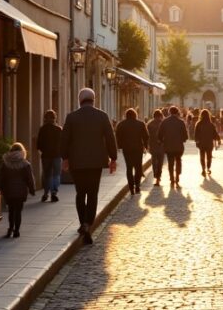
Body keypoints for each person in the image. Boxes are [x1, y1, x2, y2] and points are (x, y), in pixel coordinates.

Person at [60, 88, 118, 244]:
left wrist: (65, 158)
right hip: (96, 162)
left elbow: (64, 139)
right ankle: (88, 223)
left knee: (80, 193)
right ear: (94, 100)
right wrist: (113, 158)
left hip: (77, 162)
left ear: (80, 100)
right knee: (92, 193)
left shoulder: (71, 117)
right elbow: (110, 137)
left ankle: (82, 222)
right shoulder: (102, 116)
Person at [0, 142, 36, 238]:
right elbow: (29, 178)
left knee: (11, 211)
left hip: (8, 191)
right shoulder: (25, 164)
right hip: (21, 192)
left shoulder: (5, 163)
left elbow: (1, 178)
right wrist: (32, 189)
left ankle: (10, 229)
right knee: (18, 211)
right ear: (22, 151)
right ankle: (17, 231)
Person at [115, 108, 149, 195]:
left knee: (129, 168)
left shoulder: (121, 124)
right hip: (138, 148)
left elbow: (117, 136)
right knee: (138, 167)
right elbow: (146, 136)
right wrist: (145, 146)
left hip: (127, 149)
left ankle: (131, 187)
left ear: (126, 115)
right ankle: (137, 185)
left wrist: (120, 146)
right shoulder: (140, 124)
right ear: (135, 115)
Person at [157, 106, 189, 188]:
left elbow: (160, 134)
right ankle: (177, 177)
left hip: (168, 145)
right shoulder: (181, 122)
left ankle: (172, 179)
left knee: (170, 163)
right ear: (177, 112)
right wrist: (183, 139)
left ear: (169, 112)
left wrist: (161, 141)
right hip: (179, 146)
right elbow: (185, 136)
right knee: (178, 161)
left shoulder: (164, 122)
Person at [36, 110, 62, 203]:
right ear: (55, 118)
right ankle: (54, 193)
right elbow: (63, 143)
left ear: (45, 118)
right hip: (57, 155)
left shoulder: (42, 129)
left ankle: (46, 193)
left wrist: (43, 150)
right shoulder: (59, 129)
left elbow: (38, 144)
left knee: (47, 175)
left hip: (46, 155)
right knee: (56, 175)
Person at [194, 109, 219, 177]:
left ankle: (203, 169)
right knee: (209, 156)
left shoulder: (198, 124)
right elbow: (215, 134)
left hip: (201, 143)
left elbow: (196, 134)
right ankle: (208, 168)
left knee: (202, 156)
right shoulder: (211, 124)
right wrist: (218, 139)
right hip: (209, 143)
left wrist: (197, 140)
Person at [146, 109, 166, 186]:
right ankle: (158, 176)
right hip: (162, 146)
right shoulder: (163, 123)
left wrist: (146, 145)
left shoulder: (149, 124)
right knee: (160, 162)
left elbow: (147, 136)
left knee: (154, 161)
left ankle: (155, 174)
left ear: (154, 116)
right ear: (160, 116)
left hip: (153, 145)